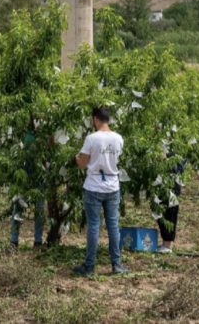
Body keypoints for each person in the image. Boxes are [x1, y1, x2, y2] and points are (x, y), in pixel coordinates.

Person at [72, 106, 128, 276]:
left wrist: (76, 158)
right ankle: (116, 265)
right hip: (112, 186)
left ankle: (89, 267)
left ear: (95, 119)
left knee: (94, 226)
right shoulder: (118, 138)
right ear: (108, 119)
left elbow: (82, 164)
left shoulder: (92, 138)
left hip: (94, 186)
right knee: (113, 225)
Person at [156, 161, 186, 253]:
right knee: (161, 207)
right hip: (165, 173)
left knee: (169, 208)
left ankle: (167, 244)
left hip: (171, 173)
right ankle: (166, 242)